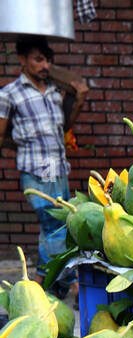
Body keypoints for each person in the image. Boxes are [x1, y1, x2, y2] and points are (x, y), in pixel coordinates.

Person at [0, 38, 90, 298]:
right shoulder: (9, 95)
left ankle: (40, 279)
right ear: (22, 60)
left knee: (53, 226)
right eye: (38, 59)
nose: (45, 65)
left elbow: (63, 129)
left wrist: (79, 101)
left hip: (58, 169)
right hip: (34, 171)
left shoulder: (53, 90)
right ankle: (72, 283)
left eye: (47, 59)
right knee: (54, 225)